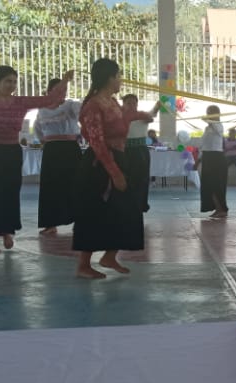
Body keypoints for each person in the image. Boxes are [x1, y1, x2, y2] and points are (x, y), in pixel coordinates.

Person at [0, 65, 74, 254]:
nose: (12, 85)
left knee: (9, 193)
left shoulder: (21, 102)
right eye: (8, 81)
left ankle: (7, 231)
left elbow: (51, 99)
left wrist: (65, 81)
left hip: (11, 153)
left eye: (15, 81)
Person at [72, 58, 153, 279]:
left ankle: (109, 255)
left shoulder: (113, 103)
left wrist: (143, 115)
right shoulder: (93, 105)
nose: (120, 80)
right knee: (95, 212)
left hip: (119, 157)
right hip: (100, 164)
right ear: (109, 77)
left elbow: (123, 123)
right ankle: (83, 265)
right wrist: (114, 172)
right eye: (118, 76)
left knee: (128, 209)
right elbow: (96, 141)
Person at [33, 78, 83, 236]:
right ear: (49, 92)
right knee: (50, 186)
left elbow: (84, 115)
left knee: (75, 185)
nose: (62, 93)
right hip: (51, 150)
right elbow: (38, 129)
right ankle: (50, 224)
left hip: (70, 149)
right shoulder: (41, 109)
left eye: (64, 90)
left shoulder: (71, 105)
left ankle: (80, 221)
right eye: (58, 90)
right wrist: (46, 140)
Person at [121, 94, 161, 212]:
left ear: (137, 104)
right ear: (123, 104)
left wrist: (158, 105)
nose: (131, 105)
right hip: (124, 151)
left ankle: (140, 205)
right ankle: (125, 206)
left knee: (141, 179)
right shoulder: (118, 117)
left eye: (134, 103)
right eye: (128, 103)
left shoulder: (143, 116)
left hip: (140, 152)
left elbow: (153, 112)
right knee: (125, 179)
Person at [199, 105, 228, 218]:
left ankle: (222, 208)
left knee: (217, 185)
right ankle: (217, 208)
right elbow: (204, 145)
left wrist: (208, 120)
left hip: (216, 158)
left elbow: (218, 130)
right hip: (207, 157)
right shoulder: (207, 129)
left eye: (210, 112)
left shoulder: (219, 126)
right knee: (208, 186)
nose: (208, 114)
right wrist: (199, 160)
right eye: (207, 112)